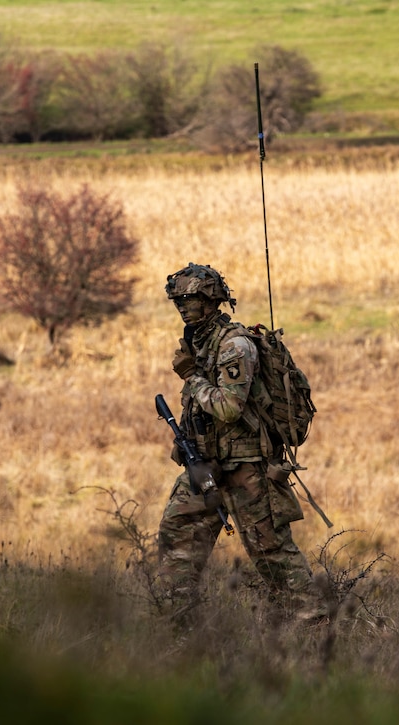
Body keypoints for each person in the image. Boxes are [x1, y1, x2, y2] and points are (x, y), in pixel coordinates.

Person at [157, 263, 324, 624]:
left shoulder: (235, 345)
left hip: (246, 468)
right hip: (204, 464)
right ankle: (179, 627)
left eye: (190, 299)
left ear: (210, 299)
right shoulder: (198, 342)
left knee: (272, 553)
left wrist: (190, 376)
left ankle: (315, 627)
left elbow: (228, 408)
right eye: (178, 301)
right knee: (177, 540)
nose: (183, 307)